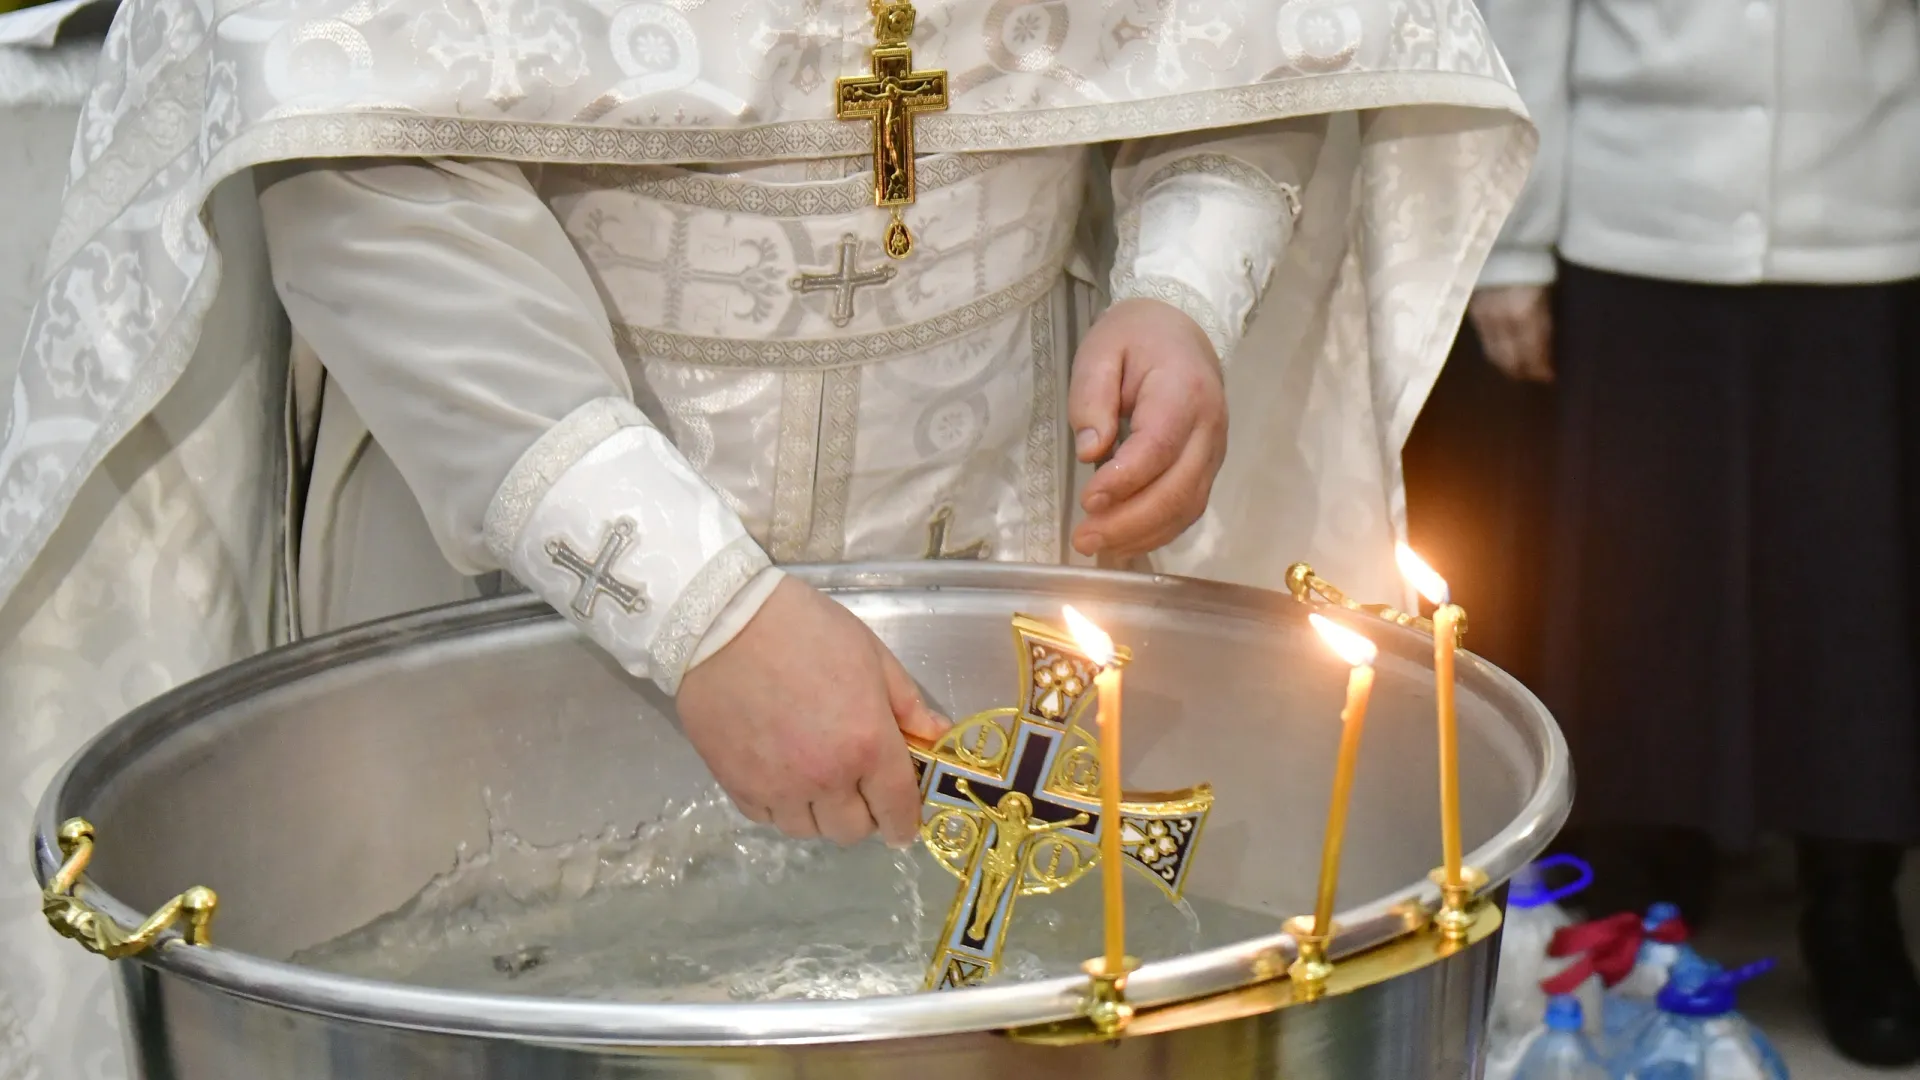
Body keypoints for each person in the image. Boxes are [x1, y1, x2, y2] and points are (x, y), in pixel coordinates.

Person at [0, 0, 1536, 1074]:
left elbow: (1237, 45)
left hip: (1004, 502)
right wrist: (703, 609)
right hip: (539, 568)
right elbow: (366, 161)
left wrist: (1183, 284)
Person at [1472, 0, 1920, 1066]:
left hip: (1873, 215)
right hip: (1638, 218)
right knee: (1638, 589)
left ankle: (1854, 902)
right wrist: (1512, 242)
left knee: (1853, 592)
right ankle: (1639, 885)